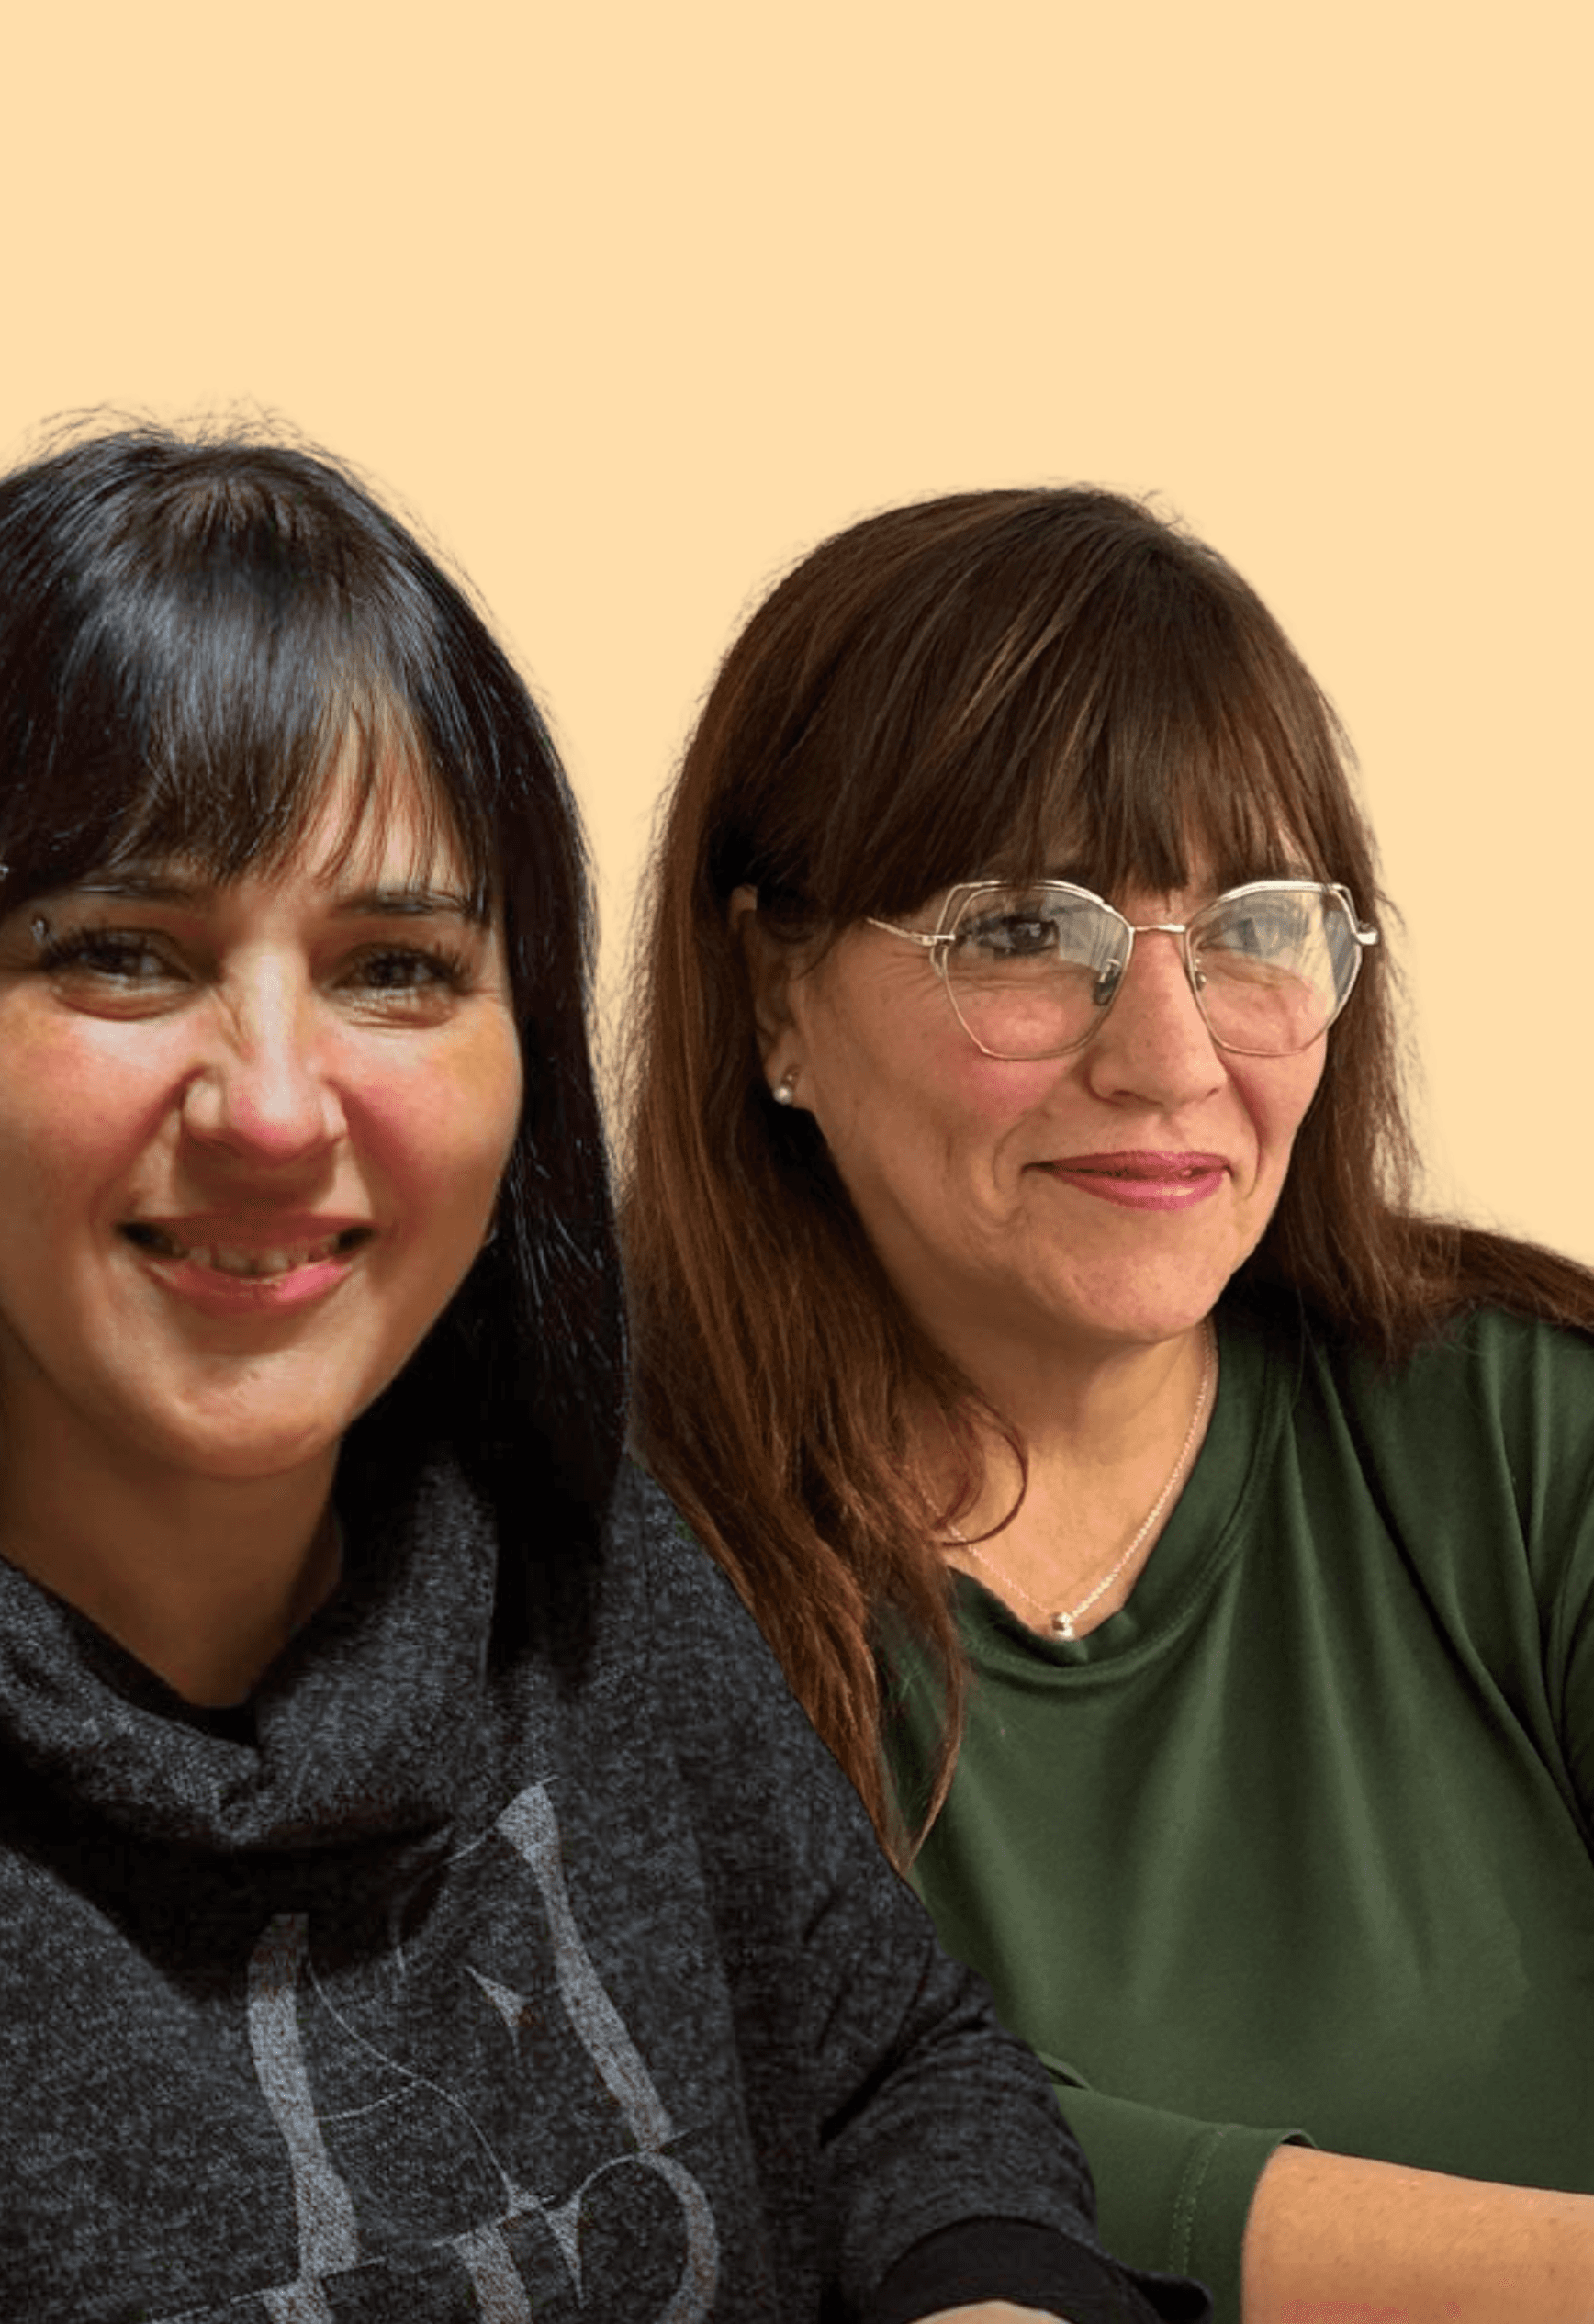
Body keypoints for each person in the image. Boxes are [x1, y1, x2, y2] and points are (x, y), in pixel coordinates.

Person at [0, 432, 1196, 2324]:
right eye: (118, 952)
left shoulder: (573, 1553)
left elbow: (887, 2067)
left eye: (399, 967)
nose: (271, 1104)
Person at [621, 486, 1594, 2324]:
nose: (1165, 1055)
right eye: (1017, 930)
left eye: (1250, 927)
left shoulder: (1525, 1437)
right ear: (773, 997)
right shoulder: (574, 1552)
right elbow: (827, 2133)